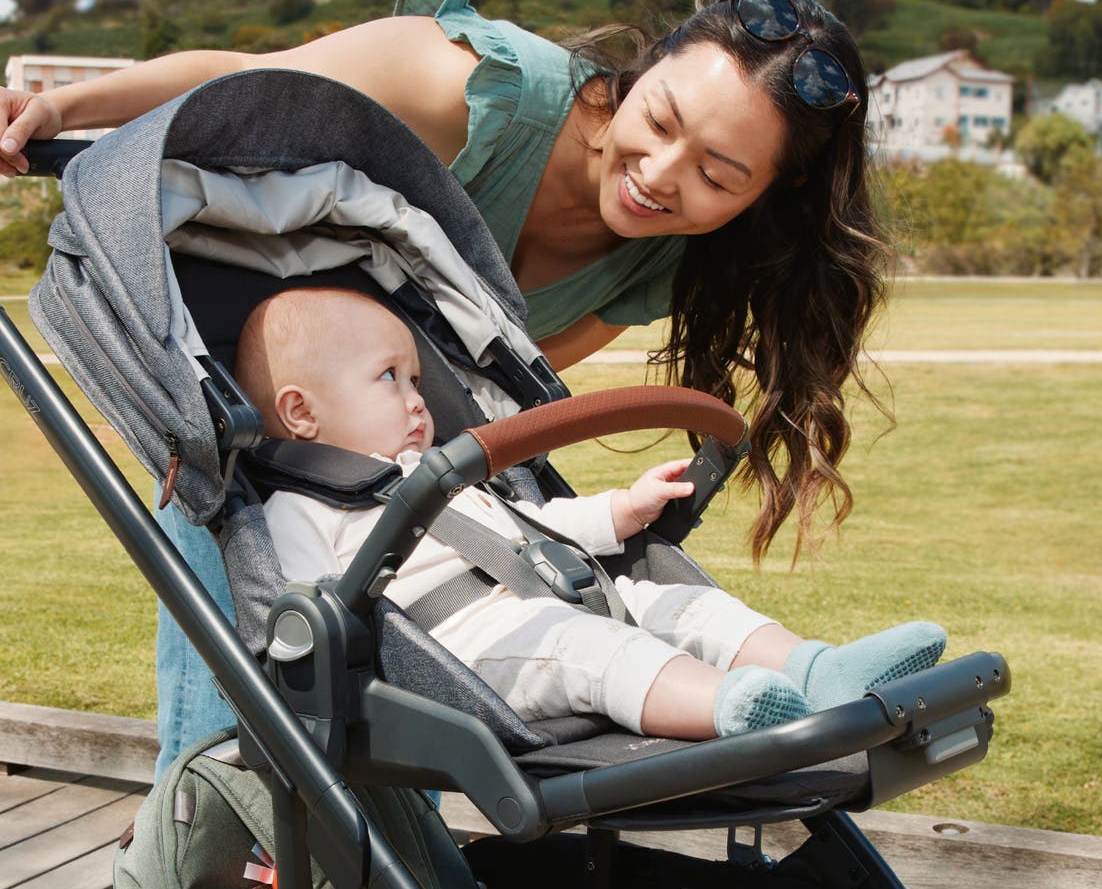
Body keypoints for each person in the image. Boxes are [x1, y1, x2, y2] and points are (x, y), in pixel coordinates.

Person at [0, 0, 888, 761]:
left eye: (717, 175)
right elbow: (243, 77)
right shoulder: (465, 84)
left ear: (766, 195)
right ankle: (202, 857)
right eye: (657, 120)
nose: (657, 175)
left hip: (417, 463)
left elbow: (496, 394)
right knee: (246, 603)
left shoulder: (670, 255)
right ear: (645, 67)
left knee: (444, 665)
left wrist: (568, 524)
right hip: (268, 415)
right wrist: (60, 111)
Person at [237, 287, 941, 739]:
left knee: (681, 607)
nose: (418, 399)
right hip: (465, 651)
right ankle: (733, 706)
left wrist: (623, 509)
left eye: (418, 379)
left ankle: (820, 672)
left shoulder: (438, 473)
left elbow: (536, 530)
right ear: (301, 412)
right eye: (390, 378)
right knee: (602, 652)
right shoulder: (300, 506)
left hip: (557, 595)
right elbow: (310, 616)